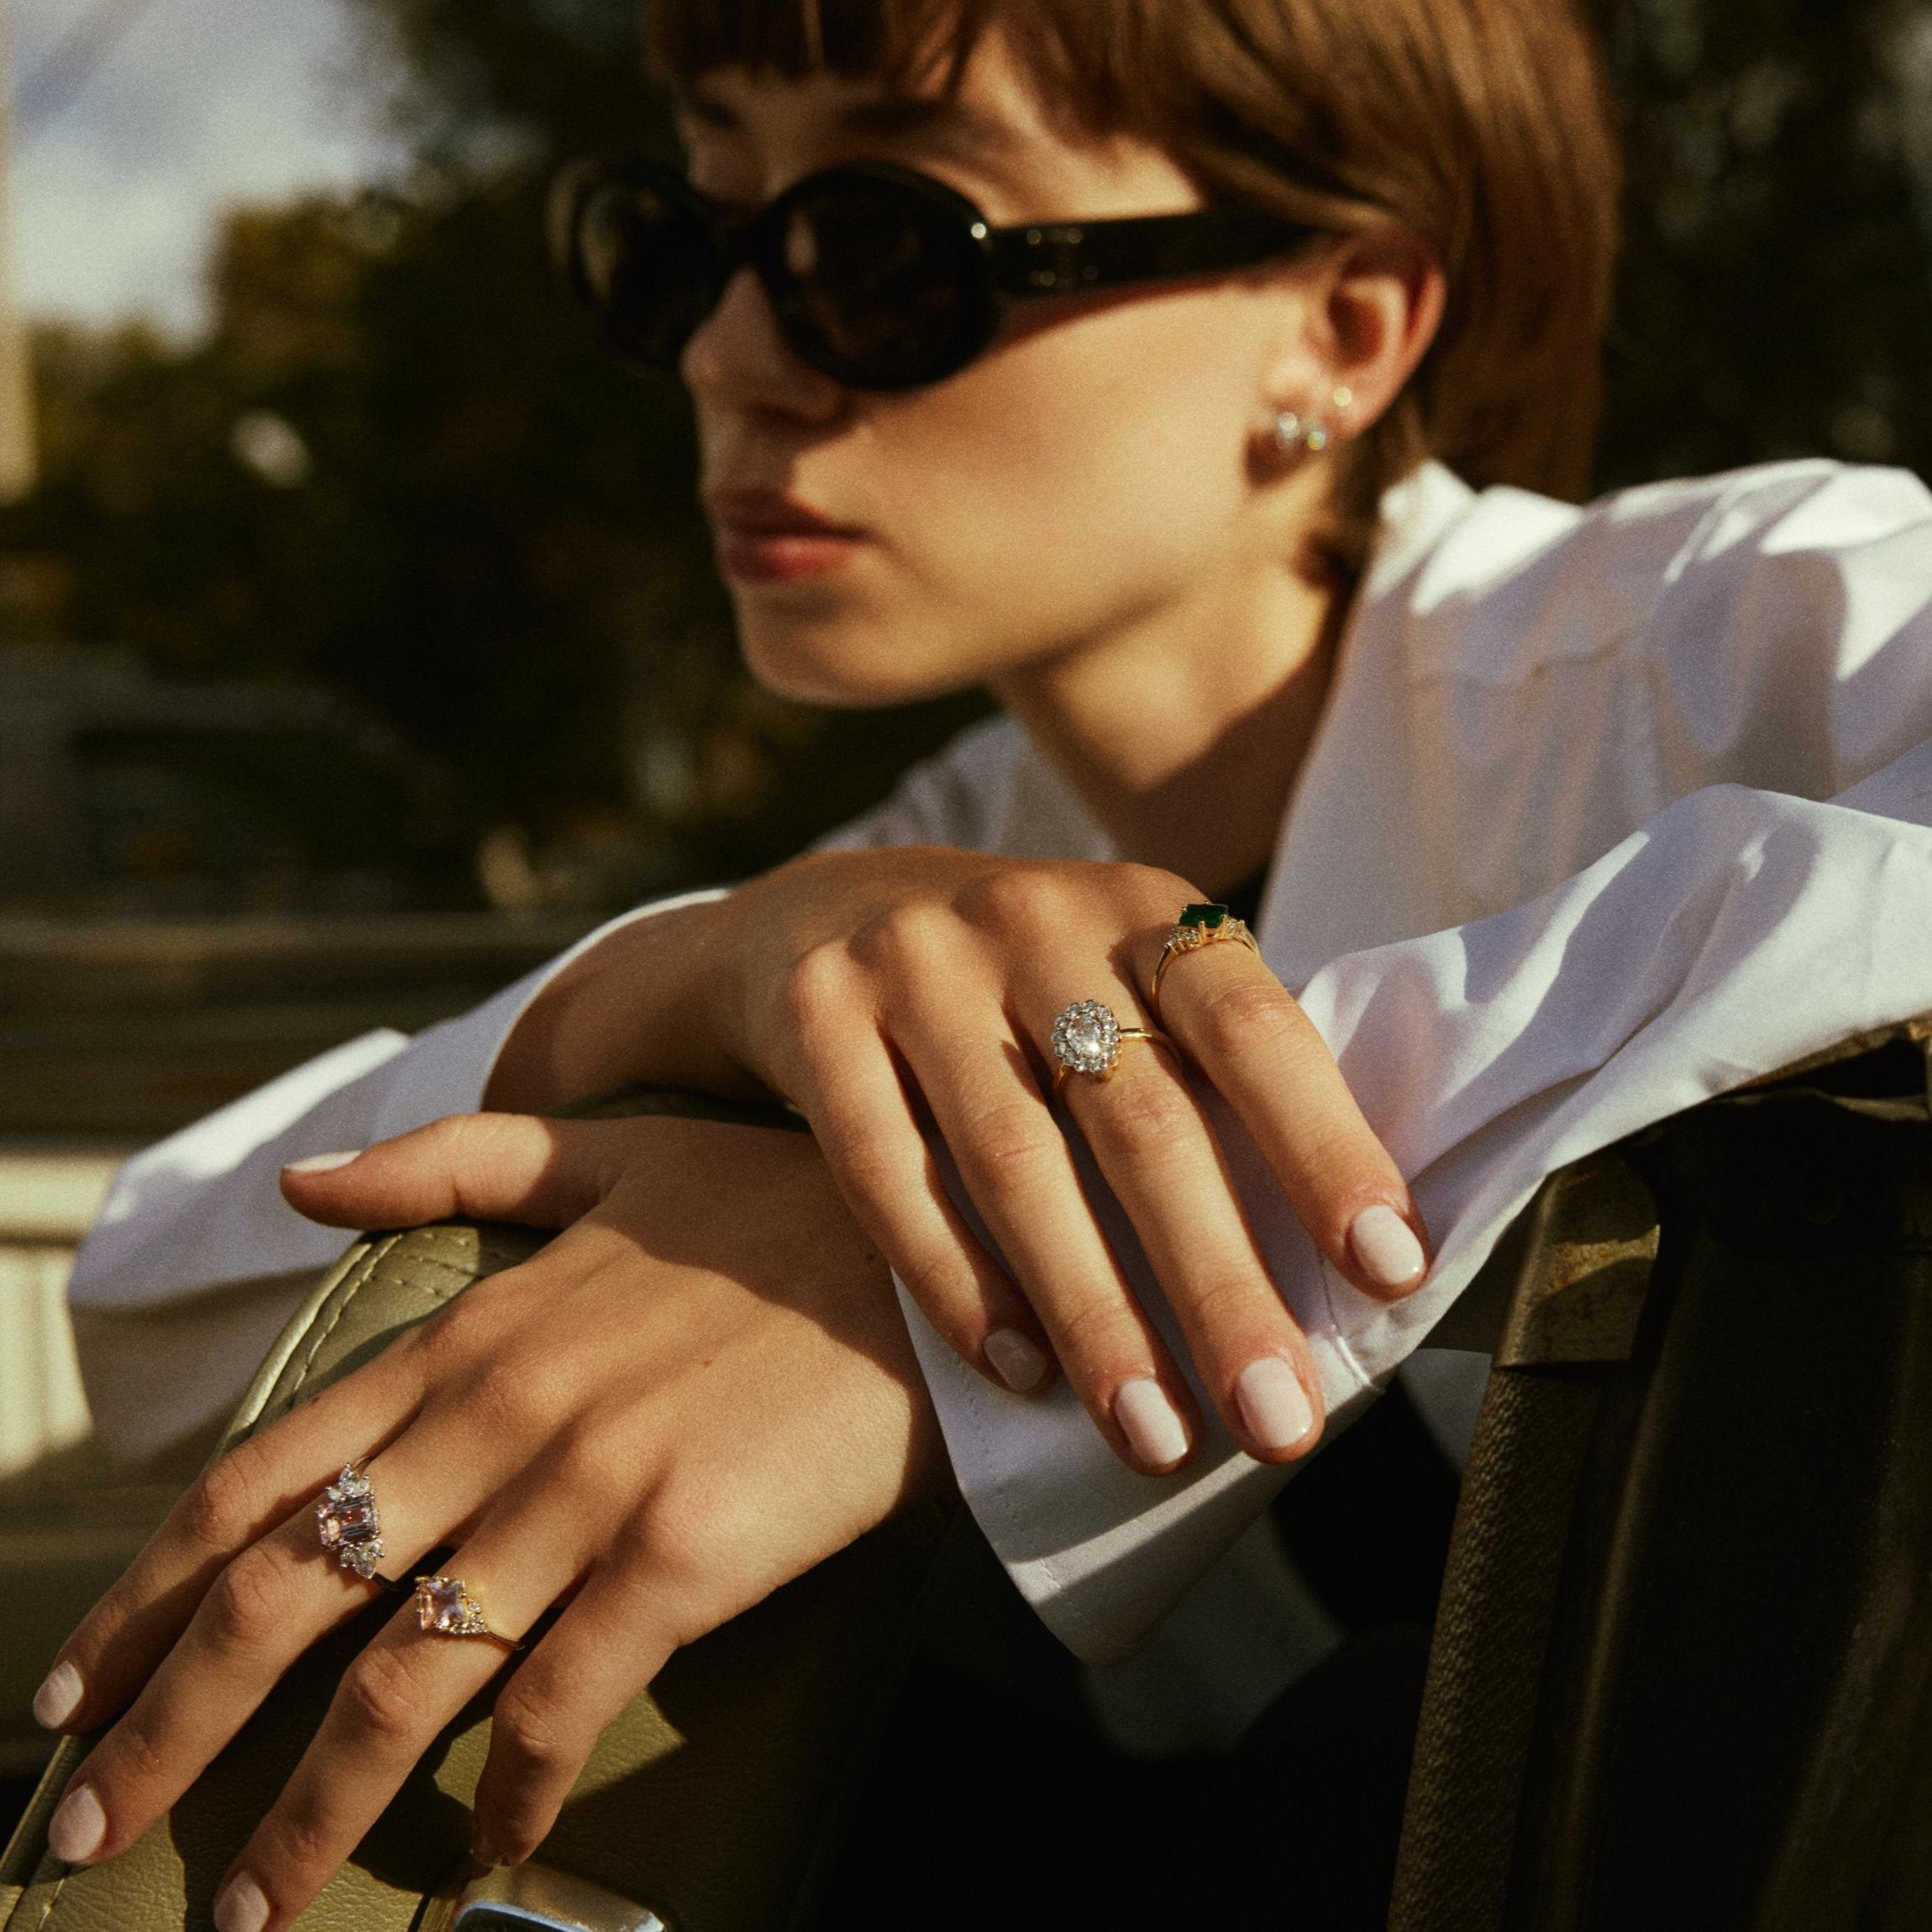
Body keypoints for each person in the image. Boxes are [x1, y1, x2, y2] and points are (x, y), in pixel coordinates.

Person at [30, 0, 1932, 1926]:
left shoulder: (1730, 630)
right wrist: (663, 981)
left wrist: (957, 1263)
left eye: (876, 249)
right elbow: (157, 1298)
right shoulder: (920, 870)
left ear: (1336, 330)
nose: (725, 355)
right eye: (683, 231)